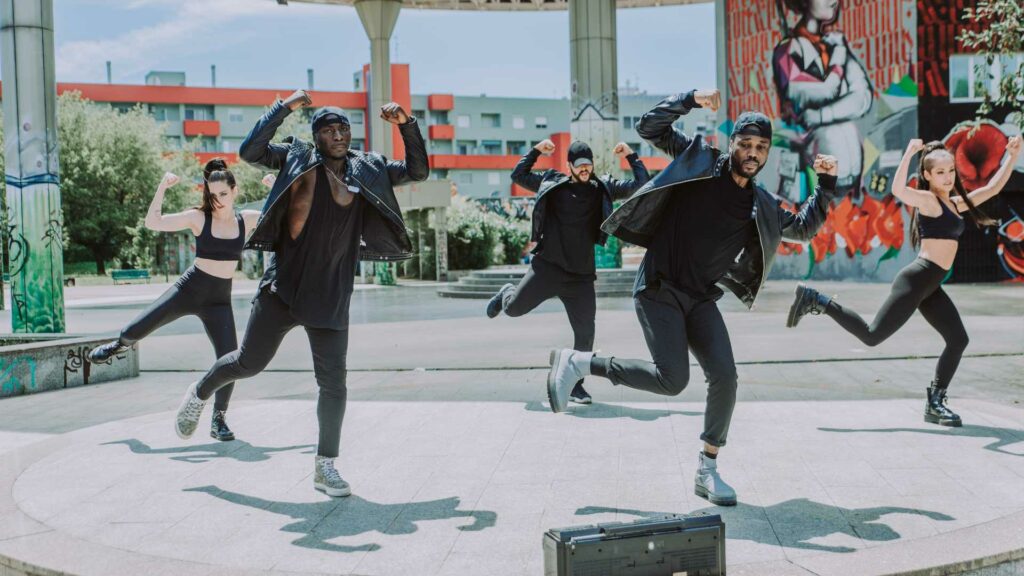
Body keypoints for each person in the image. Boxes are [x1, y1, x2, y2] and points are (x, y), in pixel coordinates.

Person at [545, 88, 838, 506]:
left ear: (767, 152)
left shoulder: (762, 203)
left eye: (761, 147)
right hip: (659, 287)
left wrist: (826, 184)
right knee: (673, 380)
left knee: (726, 378)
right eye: (745, 144)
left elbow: (805, 228)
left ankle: (708, 467)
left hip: (700, 298)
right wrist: (690, 99)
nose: (752, 153)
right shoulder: (700, 160)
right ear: (732, 142)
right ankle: (580, 362)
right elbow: (650, 126)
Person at [173, 89, 429, 498]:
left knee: (334, 384)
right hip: (283, 289)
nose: (339, 134)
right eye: (329, 129)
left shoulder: (370, 168)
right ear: (316, 135)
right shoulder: (297, 157)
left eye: (343, 127)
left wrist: (407, 126)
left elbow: (418, 171)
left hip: (330, 295)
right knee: (248, 362)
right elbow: (250, 150)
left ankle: (325, 466)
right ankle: (200, 392)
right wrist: (284, 107)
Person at [787, 135, 1022, 426]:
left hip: (931, 285)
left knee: (958, 339)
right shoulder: (927, 201)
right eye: (940, 172)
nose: (948, 177)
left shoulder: (955, 204)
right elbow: (898, 189)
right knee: (872, 336)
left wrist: (1011, 155)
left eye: (951, 172)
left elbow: (993, 187)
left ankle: (935, 403)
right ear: (927, 175)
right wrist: (909, 152)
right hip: (917, 279)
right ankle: (816, 300)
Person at [88, 159, 260, 441]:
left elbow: (287, 214)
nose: (217, 201)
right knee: (139, 327)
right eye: (212, 195)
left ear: (235, 191)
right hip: (189, 290)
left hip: (218, 301)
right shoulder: (198, 217)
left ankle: (218, 420)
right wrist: (162, 186)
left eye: (223, 194)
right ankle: (120, 345)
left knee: (230, 359)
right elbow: (152, 222)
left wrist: (275, 184)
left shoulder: (247, 219)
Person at [487, 139, 649, 404]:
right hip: (547, 268)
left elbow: (641, 185)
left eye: (588, 164)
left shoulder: (602, 189)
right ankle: (507, 293)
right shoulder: (553, 184)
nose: (584, 169)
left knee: (586, 333)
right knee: (514, 309)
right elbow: (518, 175)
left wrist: (630, 155)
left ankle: (576, 385)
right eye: (579, 165)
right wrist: (537, 150)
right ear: (569, 166)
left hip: (580, 277)